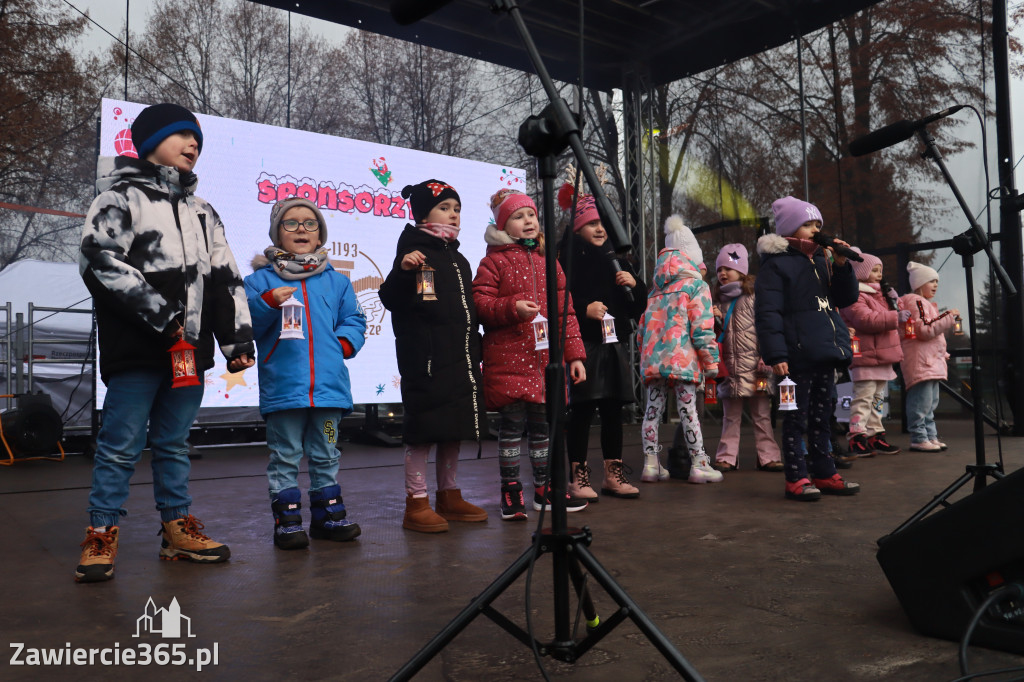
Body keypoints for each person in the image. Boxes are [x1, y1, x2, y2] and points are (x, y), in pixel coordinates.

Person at [75, 103, 255, 582]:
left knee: (174, 443)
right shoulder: (119, 198)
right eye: (182, 135)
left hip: (189, 355)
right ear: (150, 140)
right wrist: (164, 315)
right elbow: (99, 260)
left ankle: (177, 530)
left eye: (197, 140)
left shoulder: (203, 213)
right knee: (120, 445)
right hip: (138, 350)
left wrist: (236, 337)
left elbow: (226, 279)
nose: (194, 145)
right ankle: (100, 532)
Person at [245, 198, 367, 549]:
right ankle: (288, 522)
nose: (301, 229)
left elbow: (354, 319)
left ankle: (328, 518)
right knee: (285, 453)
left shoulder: (337, 282)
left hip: (328, 394)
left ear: (320, 236)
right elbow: (245, 323)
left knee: (327, 449)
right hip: (285, 392)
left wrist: (343, 345)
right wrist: (267, 301)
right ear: (276, 233)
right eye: (291, 223)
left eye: (310, 224)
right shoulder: (258, 281)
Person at [378, 179, 489, 533]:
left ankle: (449, 495)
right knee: (423, 431)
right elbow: (391, 299)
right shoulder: (413, 253)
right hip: (425, 360)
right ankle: (417, 502)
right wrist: (403, 271)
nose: (454, 215)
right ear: (424, 213)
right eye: (445, 208)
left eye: (457, 209)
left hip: (460, 358)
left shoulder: (458, 258)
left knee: (452, 428)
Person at [473, 189, 588, 520]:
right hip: (508, 361)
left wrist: (575, 356)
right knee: (511, 429)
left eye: (531, 215)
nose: (528, 221)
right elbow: (480, 304)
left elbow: (566, 312)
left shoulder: (548, 263)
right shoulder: (493, 262)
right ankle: (510, 490)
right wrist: (512, 308)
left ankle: (544, 488)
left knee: (543, 430)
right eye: (518, 216)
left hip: (544, 364)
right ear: (503, 225)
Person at [755, 196, 861, 501]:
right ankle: (797, 477)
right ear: (790, 228)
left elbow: (844, 299)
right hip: (795, 357)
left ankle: (824, 472)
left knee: (821, 416)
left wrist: (841, 265)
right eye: (808, 224)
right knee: (795, 418)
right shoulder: (776, 265)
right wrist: (776, 354)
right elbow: (768, 312)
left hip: (824, 353)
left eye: (818, 224)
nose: (815, 230)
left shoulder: (821, 259)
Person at [558, 193, 648, 501]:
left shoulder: (618, 260)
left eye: (603, 224)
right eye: (592, 223)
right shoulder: (567, 258)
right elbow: (558, 298)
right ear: (577, 226)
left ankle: (614, 474)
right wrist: (584, 308)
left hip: (614, 343)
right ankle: (578, 476)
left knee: (613, 411)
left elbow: (638, 310)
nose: (600, 229)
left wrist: (636, 286)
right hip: (583, 345)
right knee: (582, 411)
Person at [637, 215, 721, 484]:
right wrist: (711, 362)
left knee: (652, 411)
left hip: (655, 360)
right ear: (692, 259)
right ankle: (699, 463)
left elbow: (642, 332)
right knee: (688, 411)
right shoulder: (697, 286)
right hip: (684, 360)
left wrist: (646, 356)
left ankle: (651, 464)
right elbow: (703, 328)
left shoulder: (654, 291)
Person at [710, 243, 783, 472]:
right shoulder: (715, 300)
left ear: (741, 271)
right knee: (730, 416)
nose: (722, 274)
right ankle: (727, 457)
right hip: (730, 369)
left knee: (762, 415)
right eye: (719, 269)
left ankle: (768, 456)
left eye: (727, 268)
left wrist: (767, 356)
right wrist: (713, 319)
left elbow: (765, 327)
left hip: (756, 368)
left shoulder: (754, 296)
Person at [838, 248, 907, 457]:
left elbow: (891, 313)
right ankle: (856, 437)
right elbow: (864, 319)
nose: (879, 274)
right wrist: (895, 316)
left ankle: (875, 434)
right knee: (864, 398)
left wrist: (896, 301)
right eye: (875, 270)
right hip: (866, 355)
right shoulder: (854, 295)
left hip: (882, 356)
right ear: (860, 273)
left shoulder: (881, 295)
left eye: (880, 270)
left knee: (877, 398)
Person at [899, 262, 959, 452]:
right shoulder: (917, 302)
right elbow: (925, 331)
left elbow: (932, 336)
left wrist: (943, 354)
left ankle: (929, 437)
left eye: (937, 281)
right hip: (922, 362)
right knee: (921, 402)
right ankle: (919, 437)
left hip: (929, 361)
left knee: (930, 402)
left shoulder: (924, 304)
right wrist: (948, 316)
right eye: (931, 281)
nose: (935, 285)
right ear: (918, 283)